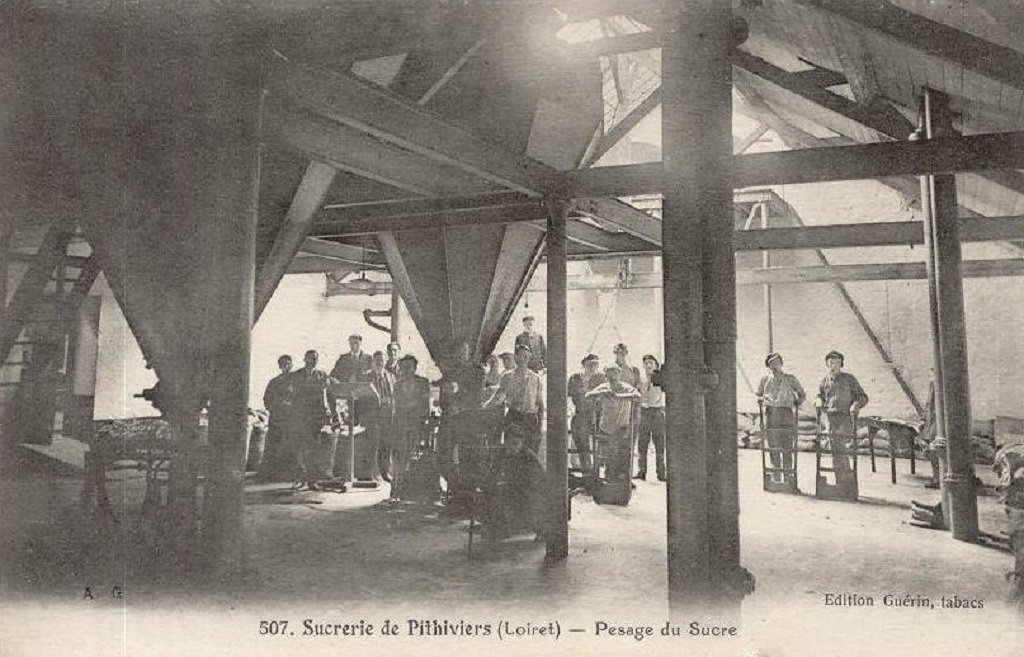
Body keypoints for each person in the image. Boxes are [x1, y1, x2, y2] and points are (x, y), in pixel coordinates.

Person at [436, 338, 486, 489]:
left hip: (468, 420)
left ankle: (466, 490)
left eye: (464, 351)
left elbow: (477, 397)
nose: (461, 354)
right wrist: (448, 407)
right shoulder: (448, 372)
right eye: (458, 351)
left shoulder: (477, 371)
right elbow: (443, 399)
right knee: (443, 456)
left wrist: (460, 406)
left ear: (468, 353)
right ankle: (453, 485)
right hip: (450, 419)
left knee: (468, 457)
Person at [291, 350, 341, 491]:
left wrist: (332, 383)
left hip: (315, 418)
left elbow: (332, 389)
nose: (313, 361)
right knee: (300, 449)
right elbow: (293, 395)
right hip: (300, 417)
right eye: (310, 358)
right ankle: (300, 479)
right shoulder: (296, 375)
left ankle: (312, 481)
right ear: (304, 359)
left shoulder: (322, 375)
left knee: (313, 449)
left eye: (315, 359)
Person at [816, 350, 869, 477]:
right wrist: (818, 401)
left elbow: (863, 397)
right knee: (836, 449)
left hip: (845, 418)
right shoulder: (824, 381)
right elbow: (820, 396)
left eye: (837, 363)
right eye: (831, 362)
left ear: (841, 364)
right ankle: (841, 479)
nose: (833, 365)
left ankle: (845, 479)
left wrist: (856, 404)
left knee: (842, 448)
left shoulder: (849, 379)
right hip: (831, 419)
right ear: (827, 364)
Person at [756, 352, 806, 484]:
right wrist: (761, 400)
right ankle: (776, 476)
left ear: (781, 364)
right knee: (773, 446)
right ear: (768, 366)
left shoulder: (790, 379)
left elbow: (802, 394)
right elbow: (758, 394)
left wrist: (796, 402)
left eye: (777, 362)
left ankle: (788, 477)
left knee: (787, 446)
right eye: (771, 363)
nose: (775, 366)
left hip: (786, 414)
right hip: (771, 414)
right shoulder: (764, 380)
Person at [485, 344, 545, 454]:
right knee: (512, 453)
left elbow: (540, 404)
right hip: (514, 418)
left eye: (526, 356)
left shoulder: (535, 378)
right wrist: (484, 407)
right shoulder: (507, 377)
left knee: (530, 454)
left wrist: (539, 427)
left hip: (530, 420)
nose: (524, 359)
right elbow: (499, 398)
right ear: (516, 357)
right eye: (521, 356)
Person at [587, 366, 641, 480]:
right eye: (610, 373)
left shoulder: (625, 387)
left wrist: (619, 396)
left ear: (619, 374)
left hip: (621, 426)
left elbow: (637, 396)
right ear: (606, 375)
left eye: (615, 373)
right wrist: (601, 392)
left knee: (622, 453)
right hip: (606, 426)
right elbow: (588, 395)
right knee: (608, 455)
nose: (613, 376)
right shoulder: (604, 387)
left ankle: (623, 481)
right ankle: (609, 479)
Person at [391, 354, 431, 501]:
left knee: (413, 456)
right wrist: (416, 402)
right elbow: (399, 405)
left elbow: (425, 405)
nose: (406, 370)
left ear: (414, 368)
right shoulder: (397, 385)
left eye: (409, 367)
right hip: (401, 425)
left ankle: (410, 489)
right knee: (399, 457)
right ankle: (397, 488)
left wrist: (421, 418)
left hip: (417, 424)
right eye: (403, 367)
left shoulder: (423, 382)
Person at [567, 354, 606, 478]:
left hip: (597, 416)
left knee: (600, 445)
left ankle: (597, 474)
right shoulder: (575, 378)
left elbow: (604, 395)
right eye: (590, 364)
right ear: (584, 364)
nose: (592, 367)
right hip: (581, 415)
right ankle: (587, 474)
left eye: (595, 364)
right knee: (582, 445)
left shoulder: (601, 378)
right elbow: (569, 395)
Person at [260, 354, 295, 482]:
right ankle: (273, 474)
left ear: (292, 365)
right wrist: (278, 405)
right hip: (277, 419)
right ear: (279, 366)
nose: (286, 367)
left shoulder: (297, 381)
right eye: (283, 364)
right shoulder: (274, 382)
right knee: (274, 445)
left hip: (292, 419)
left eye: (288, 364)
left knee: (291, 445)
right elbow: (267, 400)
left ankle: (290, 475)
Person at [364, 350, 396, 482]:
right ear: (372, 362)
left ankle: (385, 472)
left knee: (386, 445)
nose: (380, 363)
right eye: (377, 361)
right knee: (372, 445)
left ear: (385, 362)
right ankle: (371, 473)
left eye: (382, 361)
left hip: (388, 416)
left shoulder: (391, 376)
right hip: (373, 416)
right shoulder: (366, 376)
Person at [636, 355, 667, 482]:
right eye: (646, 363)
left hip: (657, 412)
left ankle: (661, 473)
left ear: (656, 365)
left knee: (659, 444)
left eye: (651, 363)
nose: (648, 365)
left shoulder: (660, 378)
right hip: (644, 413)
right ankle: (641, 471)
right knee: (642, 444)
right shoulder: (641, 379)